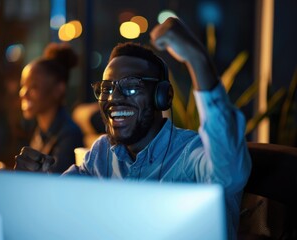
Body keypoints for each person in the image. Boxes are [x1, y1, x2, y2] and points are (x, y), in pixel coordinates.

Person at [15, 17, 251, 239]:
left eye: (131, 86)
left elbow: (229, 172)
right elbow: (59, 211)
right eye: (106, 88)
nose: (114, 98)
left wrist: (197, 60)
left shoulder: (191, 154)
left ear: (162, 96)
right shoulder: (101, 155)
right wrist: (34, 186)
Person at [16, 42, 84, 173]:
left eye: (34, 87)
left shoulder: (69, 135)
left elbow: (51, 186)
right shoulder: (41, 132)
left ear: (59, 89)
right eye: (23, 86)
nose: (23, 93)